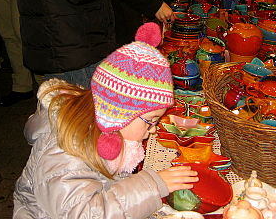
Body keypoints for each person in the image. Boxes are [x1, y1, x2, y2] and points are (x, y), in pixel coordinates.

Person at [13, 23, 199, 218]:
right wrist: (151, 185)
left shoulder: (101, 131)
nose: (152, 130)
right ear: (120, 113)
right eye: (150, 120)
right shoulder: (66, 152)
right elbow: (83, 214)